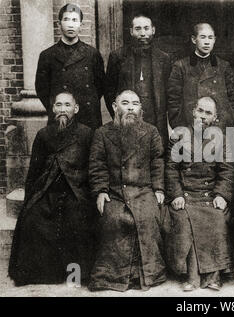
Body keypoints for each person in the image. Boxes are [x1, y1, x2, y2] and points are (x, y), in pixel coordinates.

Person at [8, 92, 96, 286]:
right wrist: (30, 200)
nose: (63, 109)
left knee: (77, 218)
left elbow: (92, 169)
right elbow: (34, 171)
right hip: (48, 190)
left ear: (76, 109)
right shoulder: (44, 134)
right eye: (59, 105)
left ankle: (76, 274)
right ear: (53, 109)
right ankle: (41, 274)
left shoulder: (86, 133)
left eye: (67, 105)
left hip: (75, 190)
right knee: (32, 218)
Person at [88, 90, 167, 291]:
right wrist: (100, 190)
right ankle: (113, 277)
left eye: (135, 103)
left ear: (141, 109)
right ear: (115, 107)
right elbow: (97, 165)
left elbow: (157, 163)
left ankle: (146, 274)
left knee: (147, 218)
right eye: (125, 103)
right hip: (114, 192)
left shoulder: (151, 132)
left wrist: (159, 189)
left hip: (143, 190)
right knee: (113, 219)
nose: (131, 107)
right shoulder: (103, 133)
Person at [165, 96, 234, 291]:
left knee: (216, 218)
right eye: (200, 111)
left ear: (215, 118)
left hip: (209, 195)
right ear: (193, 111)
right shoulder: (179, 136)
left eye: (208, 113)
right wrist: (177, 194)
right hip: (185, 195)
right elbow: (171, 169)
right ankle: (193, 276)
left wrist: (221, 195)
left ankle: (213, 276)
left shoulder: (222, 139)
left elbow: (227, 171)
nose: (203, 116)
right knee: (184, 220)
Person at [104, 14, 171, 148]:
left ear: (153, 30)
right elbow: (109, 91)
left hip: (155, 121)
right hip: (127, 119)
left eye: (146, 28)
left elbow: (169, 93)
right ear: (131, 31)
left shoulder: (164, 58)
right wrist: (119, 116)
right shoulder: (117, 57)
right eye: (138, 29)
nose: (142, 33)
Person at [35, 3, 105, 130]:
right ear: (59, 24)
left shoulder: (92, 53)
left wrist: (87, 102)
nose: (71, 24)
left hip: (88, 116)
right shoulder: (47, 55)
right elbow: (41, 89)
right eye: (66, 19)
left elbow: (99, 87)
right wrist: (58, 108)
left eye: (75, 20)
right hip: (61, 115)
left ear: (81, 25)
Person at [167, 23, 234, 132]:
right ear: (194, 39)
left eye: (210, 37)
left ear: (214, 40)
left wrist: (228, 123)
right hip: (189, 127)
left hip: (218, 128)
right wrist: (179, 126)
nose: (207, 42)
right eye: (203, 37)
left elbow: (232, 100)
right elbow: (173, 102)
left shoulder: (224, 66)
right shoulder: (181, 66)